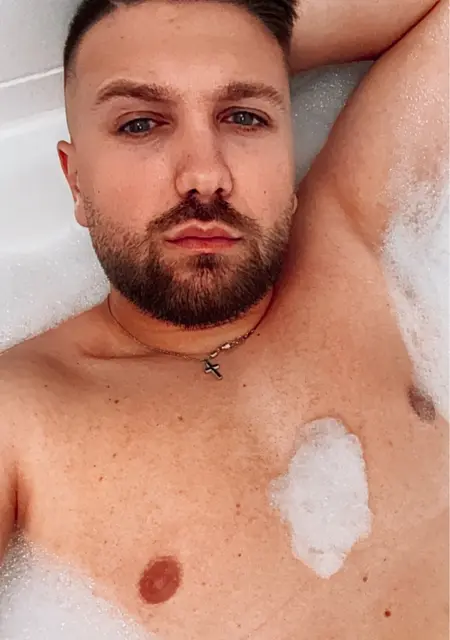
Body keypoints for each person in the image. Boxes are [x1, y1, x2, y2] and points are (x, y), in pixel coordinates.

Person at [0, 0, 448, 638]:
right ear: (75, 183)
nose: (205, 175)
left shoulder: (357, 239)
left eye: (244, 116)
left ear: (286, 147)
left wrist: (252, 36)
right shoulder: (21, 414)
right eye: (140, 123)